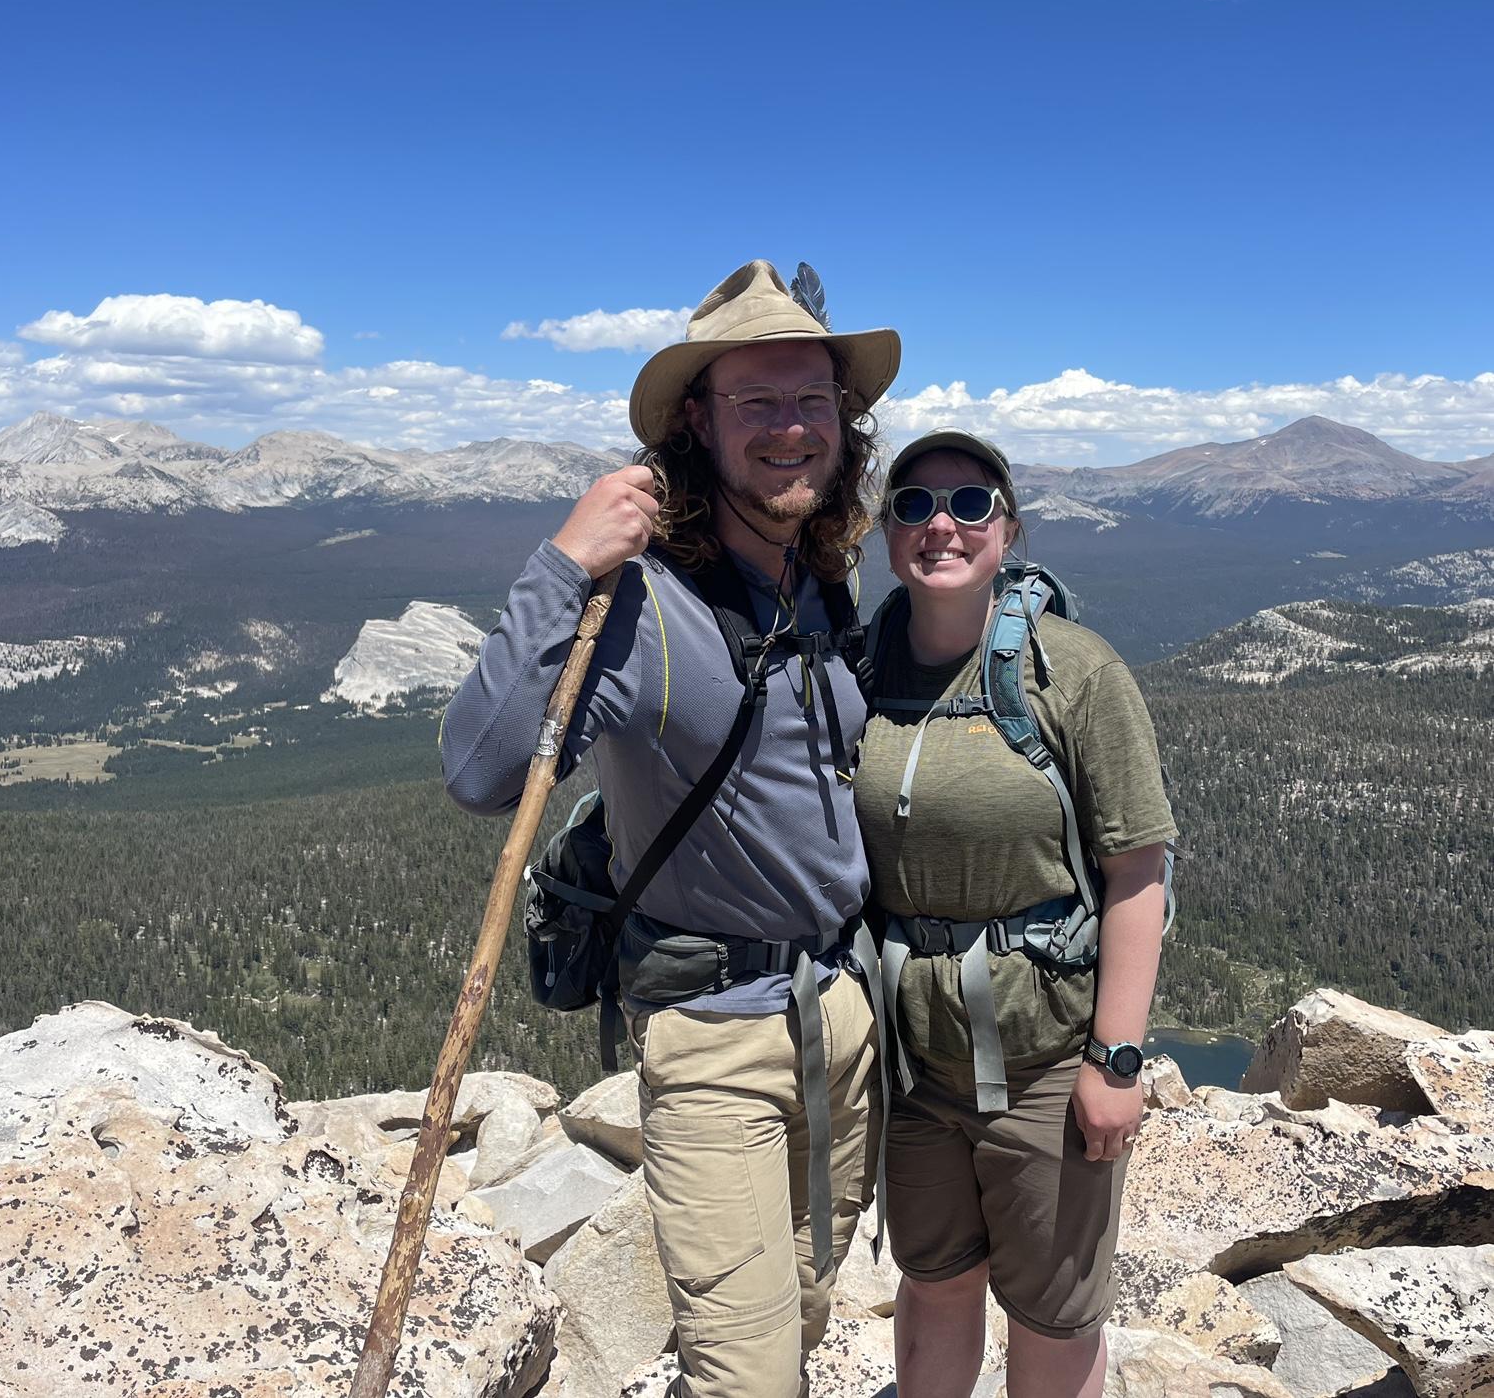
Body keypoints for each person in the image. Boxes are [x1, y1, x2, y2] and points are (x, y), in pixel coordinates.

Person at [440, 259, 900, 1398]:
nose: (791, 429)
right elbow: (481, 767)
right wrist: (560, 565)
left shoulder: (817, 578)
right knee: (746, 1376)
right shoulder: (639, 607)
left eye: (813, 402)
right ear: (697, 421)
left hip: (845, 1019)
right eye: (758, 403)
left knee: (799, 1315)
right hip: (715, 1041)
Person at [853, 430, 1176, 1398]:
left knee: (1053, 1312)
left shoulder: (1072, 674)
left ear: (1009, 527)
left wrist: (1116, 1059)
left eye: (970, 504)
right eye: (913, 505)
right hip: (916, 1066)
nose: (940, 525)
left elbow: (1138, 874)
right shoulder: (861, 673)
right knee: (936, 1281)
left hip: (1043, 1058)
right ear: (887, 532)